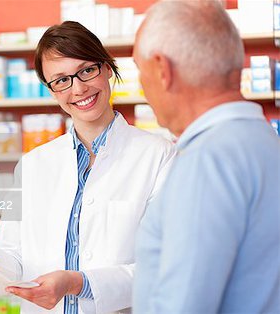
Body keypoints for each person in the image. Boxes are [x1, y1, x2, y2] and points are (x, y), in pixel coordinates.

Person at [0, 21, 175, 314]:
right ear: (52, 90)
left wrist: (78, 283)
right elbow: (15, 267)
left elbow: (166, 266)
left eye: (87, 70)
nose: (78, 88)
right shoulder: (33, 165)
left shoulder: (159, 156)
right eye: (62, 80)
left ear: (106, 68)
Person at [132, 1, 280, 313]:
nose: (142, 86)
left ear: (162, 69)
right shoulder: (265, 141)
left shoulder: (207, 162)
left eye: (139, 71)